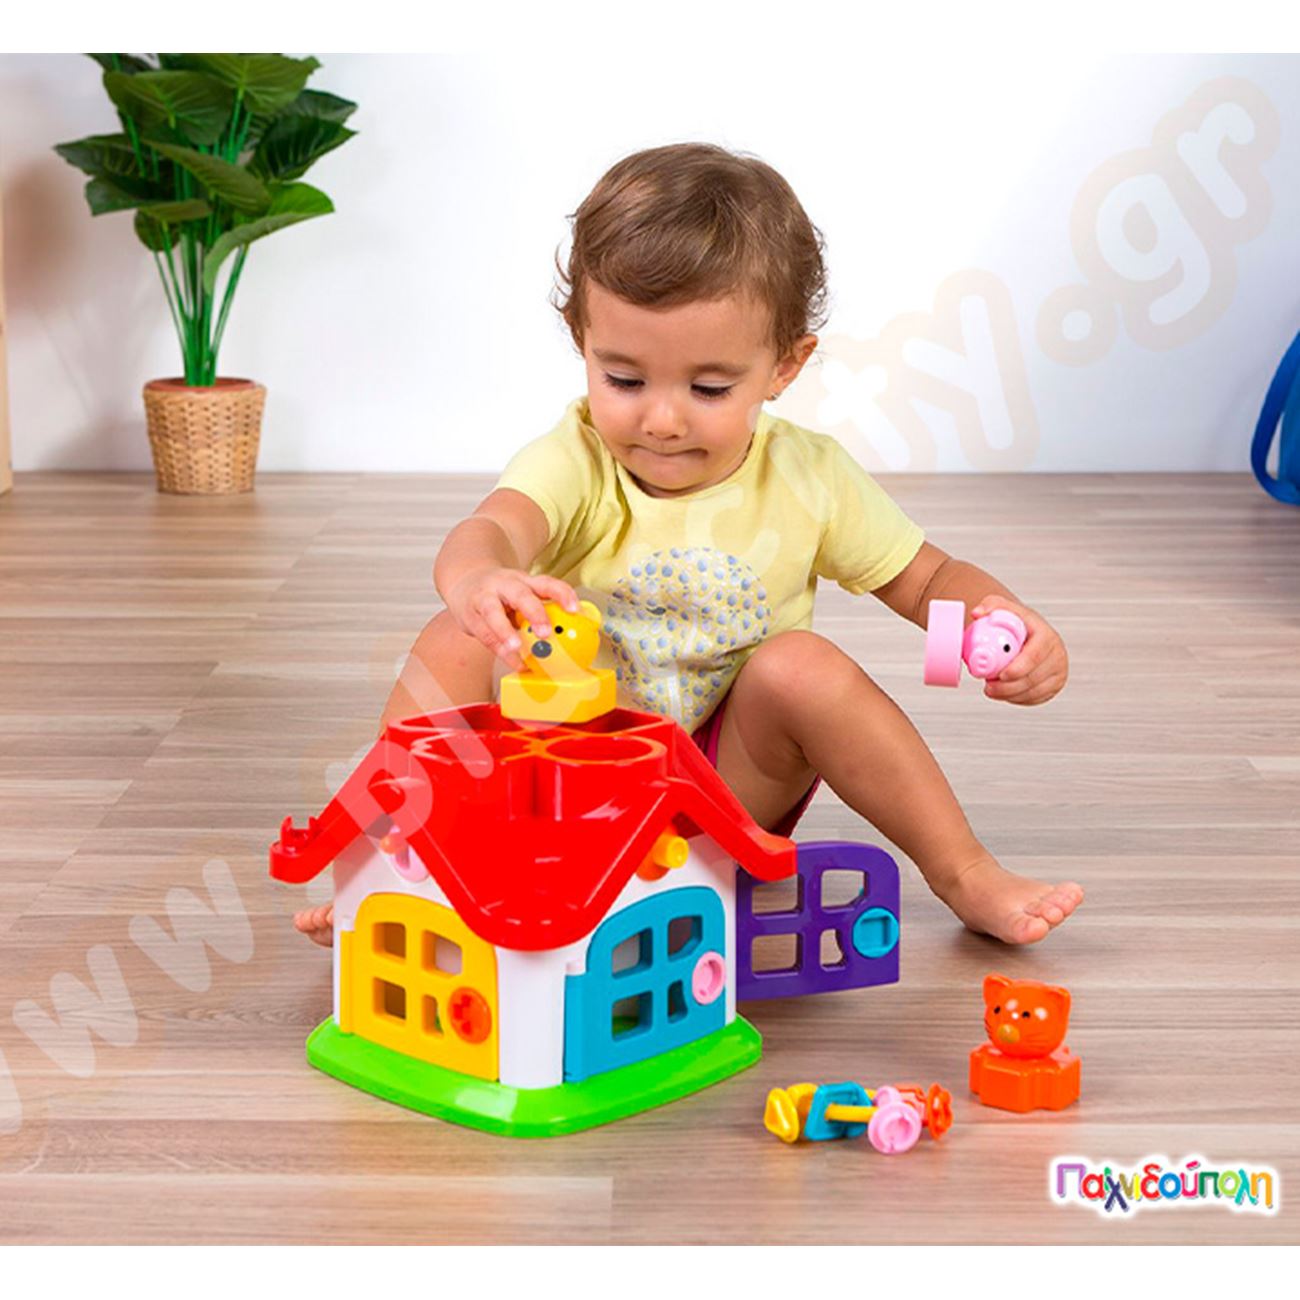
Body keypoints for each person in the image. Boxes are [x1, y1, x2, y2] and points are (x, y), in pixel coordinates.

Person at [294, 142, 1082, 949]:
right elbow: (493, 528)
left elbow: (928, 578)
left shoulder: (809, 476)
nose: (662, 419)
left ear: (784, 366)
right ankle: (388, 864)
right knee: (461, 632)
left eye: (709, 388)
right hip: (554, 783)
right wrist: (480, 578)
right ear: (580, 338)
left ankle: (964, 870)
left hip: (718, 799)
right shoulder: (576, 459)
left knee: (802, 667)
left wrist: (1000, 622)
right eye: (624, 380)